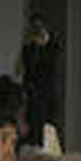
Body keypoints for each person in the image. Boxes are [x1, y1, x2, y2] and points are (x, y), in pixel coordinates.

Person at [19, 14, 61, 144]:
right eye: (34, 26)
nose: (37, 29)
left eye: (40, 26)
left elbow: (50, 63)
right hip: (32, 92)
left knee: (47, 126)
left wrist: (44, 43)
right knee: (33, 126)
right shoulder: (28, 47)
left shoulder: (52, 46)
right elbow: (28, 68)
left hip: (46, 92)